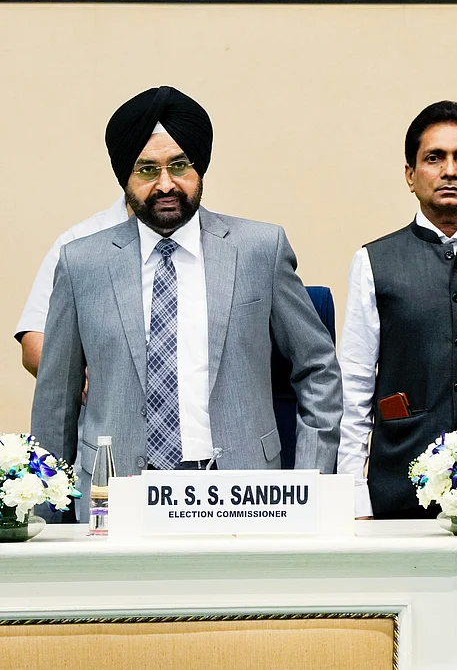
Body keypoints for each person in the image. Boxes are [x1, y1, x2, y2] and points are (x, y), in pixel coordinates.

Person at [32, 86, 342, 519]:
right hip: (117, 495)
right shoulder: (82, 262)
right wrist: (47, 517)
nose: (165, 184)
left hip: (242, 495)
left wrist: (311, 485)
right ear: (125, 178)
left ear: (199, 168)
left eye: (179, 165)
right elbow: (56, 401)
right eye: (146, 169)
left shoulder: (259, 249)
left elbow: (318, 370)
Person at [338, 101, 457, 520]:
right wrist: (353, 491)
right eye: (434, 158)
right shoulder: (373, 261)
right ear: (410, 174)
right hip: (400, 482)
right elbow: (355, 384)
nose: (450, 171)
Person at [16, 199, 130, 377]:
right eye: (147, 170)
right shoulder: (77, 242)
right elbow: (36, 340)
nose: (164, 184)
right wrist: (84, 386)